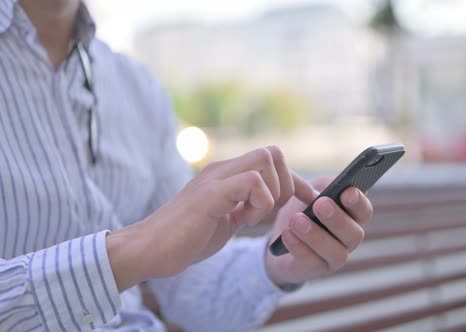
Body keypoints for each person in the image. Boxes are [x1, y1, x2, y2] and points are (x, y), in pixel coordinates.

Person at [0, 1, 374, 331]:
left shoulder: (135, 86)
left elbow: (187, 290)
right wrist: (134, 250)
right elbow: (151, 248)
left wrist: (275, 264)